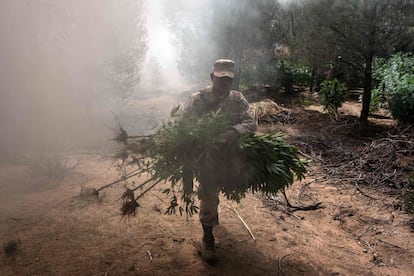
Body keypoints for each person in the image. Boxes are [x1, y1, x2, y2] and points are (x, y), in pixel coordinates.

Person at [182, 59, 256, 263]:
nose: (224, 83)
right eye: (220, 78)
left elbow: (251, 123)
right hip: (206, 159)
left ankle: (212, 217)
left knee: (232, 184)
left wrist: (231, 132)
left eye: (228, 80)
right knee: (209, 194)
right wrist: (200, 140)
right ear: (212, 77)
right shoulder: (197, 100)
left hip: (231, 157)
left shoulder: (237, 100)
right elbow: (183, 128)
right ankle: (208, 238)